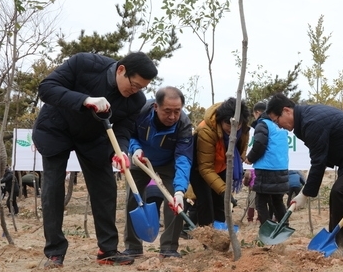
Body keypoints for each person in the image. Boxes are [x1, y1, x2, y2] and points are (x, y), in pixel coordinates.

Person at [32, 51, 158, 268]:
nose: (136, 91)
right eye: (134, 84)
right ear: (121, 70)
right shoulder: (84, 64)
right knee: (53, 188)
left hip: (93, 138)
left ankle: (107, 250)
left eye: (141, 88)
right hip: (56, 128)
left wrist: (120, 151)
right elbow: (46, 88)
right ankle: (54, 252)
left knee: (105, 188)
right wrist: (85, 99)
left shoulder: (135, 100)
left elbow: (124, 128)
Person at [266, 93, 343, 257]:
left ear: (286, 111)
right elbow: (319, 157)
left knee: (340, 192)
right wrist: (306, 191)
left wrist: (305, 193)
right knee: (337, 194)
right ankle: (335, 242)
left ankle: (341, 245)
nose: (279, 126)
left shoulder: (311, 122)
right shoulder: (304, 120)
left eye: (277, 121)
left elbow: (319, 161)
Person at [123, 87, 193, 258]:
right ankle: (133, 246)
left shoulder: (184, 125)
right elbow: (128, 133)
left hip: (168, 164)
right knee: (133, 199)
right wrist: (135, 149)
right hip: (141, 160)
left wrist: (179, 190)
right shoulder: (141, 112)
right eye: (167, 111)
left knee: (176, 203)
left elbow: (183, 158)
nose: (172, 117)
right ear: (156, 106)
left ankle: (169, 248)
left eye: (177, 111)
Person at [190, 98, 250, 226]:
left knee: (221, 203)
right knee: (206, 203)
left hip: (221, 167)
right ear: (220, 120)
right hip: (200, 170)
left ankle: (221, 233)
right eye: (228, 124)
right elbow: (205, 168)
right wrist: (224, 190)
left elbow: (241, 148)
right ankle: (208, 238)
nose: (233, 128)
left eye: (237, 124)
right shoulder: (206, 130)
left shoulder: (243, 128)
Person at [246, 106, 290, 225]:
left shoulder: (263, 124)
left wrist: (250, 158)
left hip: (266, 169)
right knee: (277, 201)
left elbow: (259, 144)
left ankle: (266, 228)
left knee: (260, 201)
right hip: (281, 168)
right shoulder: (279, 126)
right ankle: (284, 226)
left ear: (258, 113)